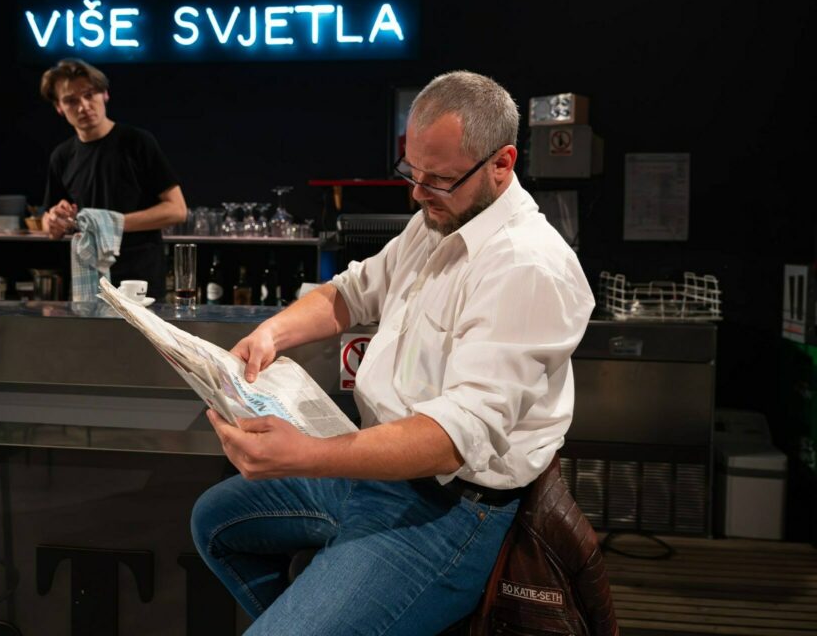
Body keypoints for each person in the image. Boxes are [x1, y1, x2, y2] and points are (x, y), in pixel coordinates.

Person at [191, 70, 595, 635]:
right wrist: (271, 335)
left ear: (502, 164)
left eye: (440, 179)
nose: (418, 193)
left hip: (454, 509)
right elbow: (351, 292)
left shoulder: (527, 266)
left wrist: (306, 455)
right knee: (214, 521)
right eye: (412, 171)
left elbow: (453, 438)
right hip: (377, 476)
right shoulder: (436, 221)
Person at [40, 58, 187, 297]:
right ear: (59, 107)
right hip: (88, 280)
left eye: (89, 95)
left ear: (105, 94)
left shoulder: (137, 142)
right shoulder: (62, 156)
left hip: (140, 279)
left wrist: (107, 224)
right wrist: (54, 220)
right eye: (71, 100)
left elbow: (177, 210)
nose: (83, 106)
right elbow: (49, 223)